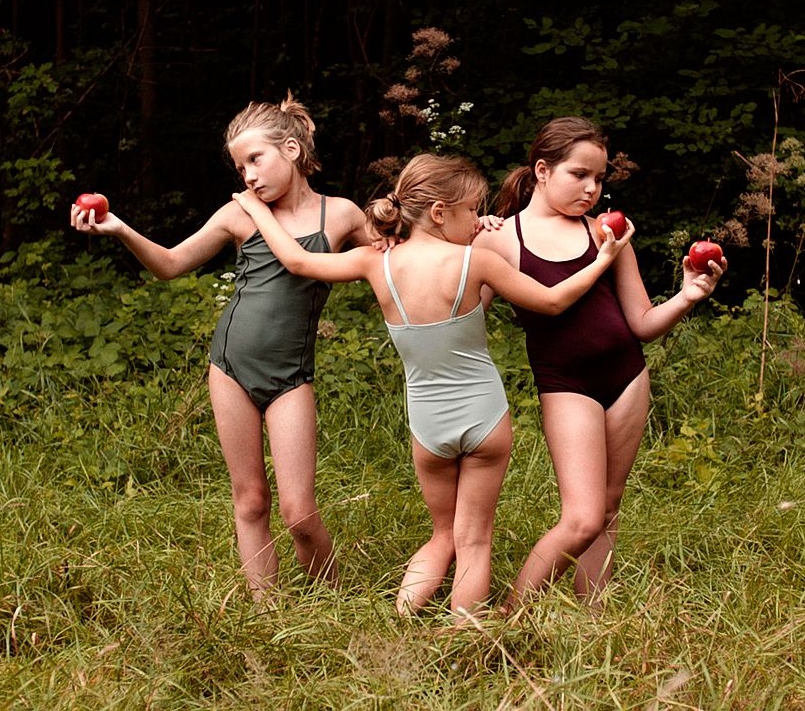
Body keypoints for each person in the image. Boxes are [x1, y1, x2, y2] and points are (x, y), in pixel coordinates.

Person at [231, 152, 633, 619]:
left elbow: (298, 261)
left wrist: (257, 209)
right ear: (440, 212)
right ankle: (465, 631)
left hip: (427, 424)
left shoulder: (375, 262)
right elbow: (553, 301)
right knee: (474, 540)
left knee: (443, 536)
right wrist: (604, 259)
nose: (479, 221)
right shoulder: (476, 263)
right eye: (472, 210)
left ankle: (402, 619)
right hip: (485, 418)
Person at [70, 92, 374, 602]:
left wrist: (471, 231)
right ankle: (265, 613)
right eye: (240, 168)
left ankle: (337, 604)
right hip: (230, 367)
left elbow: (396, 257)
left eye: (256, 159)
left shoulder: (340, 214)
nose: (248, 177)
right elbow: (170, 264)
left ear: (292, 150)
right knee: (250, 500)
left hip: (291, 377)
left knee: (299, 513)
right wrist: (119, 228)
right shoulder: (239, 215)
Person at [472, 116, 727, 611]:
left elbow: (642, 324)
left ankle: (593, 620)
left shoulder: (607, 233)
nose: (592, 188)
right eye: (579, 174)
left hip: (627, 376)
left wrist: (688, 295)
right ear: (542, 170)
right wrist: (464, 233)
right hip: (565, 383)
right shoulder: (500, 238)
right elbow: (464, 320)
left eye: (599, 178)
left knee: (608, 508)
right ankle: (508, 615)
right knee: (582, 517)